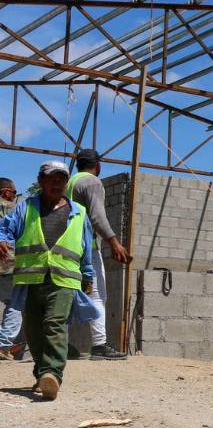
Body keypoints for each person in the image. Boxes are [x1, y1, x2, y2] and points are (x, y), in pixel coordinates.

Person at [0, 161, 99, 400]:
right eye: (51, 179)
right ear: (41, 181)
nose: (57, 183)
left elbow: (86, 247)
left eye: (61, 179)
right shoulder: (27, 208)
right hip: (31, 278)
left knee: (54, 324)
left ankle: (53, 373)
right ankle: (41, 375)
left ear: (66, 183)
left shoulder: (78, 212)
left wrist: (88, 275)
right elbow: (6, 228)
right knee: (34, 329)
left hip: (64, 279)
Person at [66, 148, 131, 360]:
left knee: (65, 294)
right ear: (98, 165)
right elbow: (97, 217)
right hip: (85, 247)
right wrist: (114, 242)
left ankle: (62, 344)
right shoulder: (92, 182)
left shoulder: (69, 183)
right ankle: (99, 345)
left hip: (64, 247)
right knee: (97, 294)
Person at [0, 178, 23, 360]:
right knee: (15, 303)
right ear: (5, 192)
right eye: (14, 193)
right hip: (6, 265)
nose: (14, 197)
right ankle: (4, 344)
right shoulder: (10, 210)